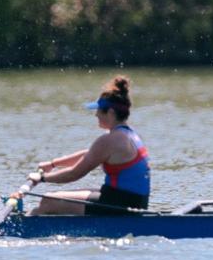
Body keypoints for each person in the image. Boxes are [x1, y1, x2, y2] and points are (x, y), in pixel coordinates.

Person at [32, 75, 151, 215]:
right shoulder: (129, 134)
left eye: (99, 110)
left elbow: (75, 173)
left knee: (48, 200)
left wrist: (42, 178)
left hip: (121, 205)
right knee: (63, 195)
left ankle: (24, 231)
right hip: (131, 201)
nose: (96, 115)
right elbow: (89, 155)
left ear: (111, 113)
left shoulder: (110, 140)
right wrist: (52, 164)